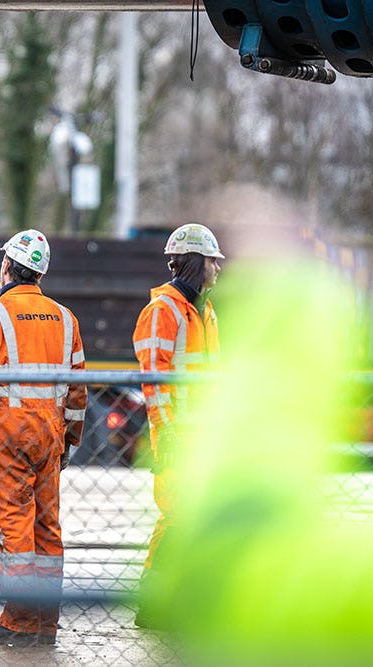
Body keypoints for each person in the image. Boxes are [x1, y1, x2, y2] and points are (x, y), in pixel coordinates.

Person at [0, 229, 87, 647]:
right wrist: (71, 441)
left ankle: (19, 621)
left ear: (8, 267)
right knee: (48, 527)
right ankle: (46, 622)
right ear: (40, 274)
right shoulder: (67, 319)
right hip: (50, 435)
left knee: (12, 526)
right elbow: (78, 391)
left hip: (8, 436)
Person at [131, 222, 223, 629]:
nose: (218, 270)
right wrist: (167, 432)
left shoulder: (204, 312)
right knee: (176, 515)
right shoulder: (162, 311)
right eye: (213, 263)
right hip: (177, 436)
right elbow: (154, 379)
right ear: (195, 263)